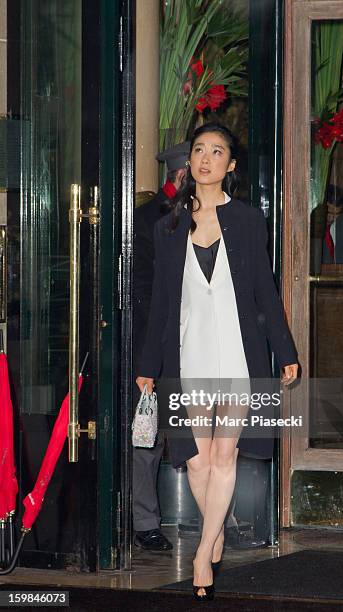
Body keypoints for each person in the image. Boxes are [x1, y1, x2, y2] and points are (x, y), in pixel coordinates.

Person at [136, 123, 298, 601]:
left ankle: (204, 550)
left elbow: (264, 292)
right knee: (197, 460)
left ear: (230, 166)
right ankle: (216, 532)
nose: (205, 158)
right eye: (199, 150)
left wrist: (284, 351)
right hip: (187, 354)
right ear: (191, 162)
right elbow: (162, 303)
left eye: (217, 152)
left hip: (236, 353)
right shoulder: (167, 224)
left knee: (225, 454)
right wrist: (148, 363)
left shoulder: (247, 221)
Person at [132, 142, 189, 551]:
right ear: (182, 173)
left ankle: (223, 513)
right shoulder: (145, 220)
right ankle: (144, 521)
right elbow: (145, 290)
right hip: (158, 340)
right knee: (147, 435)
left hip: (197, 338)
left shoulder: (216, 214)